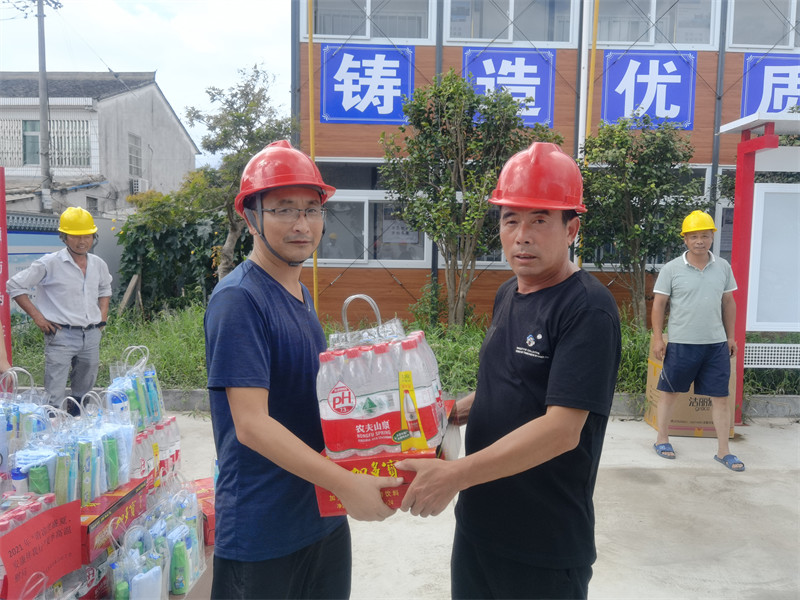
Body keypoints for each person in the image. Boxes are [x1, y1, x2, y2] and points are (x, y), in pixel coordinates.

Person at [396, 143, 622, 600]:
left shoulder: (587, 310)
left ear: (571, 228)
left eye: (539, 220)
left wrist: (454, 476)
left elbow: (562, 430)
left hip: (542, 546)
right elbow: (512, 384)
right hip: (478, 528)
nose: (522, 236)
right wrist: (455, 411)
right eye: (510, 219)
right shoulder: (508, 293)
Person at [204, 140, 402, 600]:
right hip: (263, 532)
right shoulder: (239, 300)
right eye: (283, 210)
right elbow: (252, 425)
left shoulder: (299, 294)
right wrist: (347, 485)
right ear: (251, 217)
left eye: (312, 209)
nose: (301, 224)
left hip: (320, 517)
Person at [651, 210, 743, 472]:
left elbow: (728, 302)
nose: (700, 241)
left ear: (712, 237)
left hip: (715, 345)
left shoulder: (722, 267)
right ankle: (662, 439)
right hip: (681, 344)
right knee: (670, 393)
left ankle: (724, 451)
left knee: (720, 397)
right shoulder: (671, 269)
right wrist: (658, 338)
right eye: (694, 236)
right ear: (685, 239)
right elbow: (659, 304)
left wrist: (730, 337)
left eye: (705, 235)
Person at [6, 207, 111, 408]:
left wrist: (102, 319)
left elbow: (105, 288)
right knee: (55, 388)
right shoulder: (49, 263)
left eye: (87, 236)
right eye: (75, 236)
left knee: (85, 386)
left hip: (91, 334)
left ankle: (77, 418)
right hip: (61, 334)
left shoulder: (98, 264)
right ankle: (52, 420)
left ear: (93, 237)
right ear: (64, 237)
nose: (82, 241)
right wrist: (38, 317)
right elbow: (15, 285)